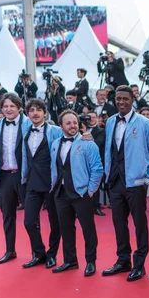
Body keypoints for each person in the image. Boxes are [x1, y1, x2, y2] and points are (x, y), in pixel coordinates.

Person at [101, 86, 149, 282]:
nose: (121, 102)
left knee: (139, 225)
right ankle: (123, 260)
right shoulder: (110, 122)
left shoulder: (144, 123)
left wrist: (148, 179)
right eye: (118, 99)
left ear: (132, 99)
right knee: (119, 223)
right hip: (115, 182)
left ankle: (139, 264)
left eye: (125, 99)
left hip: (136, 183)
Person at [50, 109, 103, 276]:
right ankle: (70, 260)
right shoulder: (55, 143)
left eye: (74, 122)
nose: (72, 126)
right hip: (61, 193)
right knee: (65, 229)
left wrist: (90, 190)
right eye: (68, 123)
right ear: (61, 126)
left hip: (81, 193)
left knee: (88, 229)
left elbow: (97, 169)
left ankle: (91, 261)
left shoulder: (88, 143)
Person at [0, 94, 32, 264]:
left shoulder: (28, 123)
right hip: (4, 176)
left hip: (24, 176)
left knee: (31, 218)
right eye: (5, 106)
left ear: (19, 107)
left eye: (12, 106)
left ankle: (37, 253)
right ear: (1, 108)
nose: (8, 109)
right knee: (7, 216)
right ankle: (10, 250)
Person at [20, 99, 63, 269]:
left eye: (38, 110)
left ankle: (52, 254)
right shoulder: (25, 131)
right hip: (31, 182)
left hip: (52, 183)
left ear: (45, 113)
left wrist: (86, 137)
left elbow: (72, 140)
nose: (35, 113)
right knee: (29, 221)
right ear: (28, 114)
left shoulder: (56, 131)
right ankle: (38, 253)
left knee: (55, 222)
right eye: (31, 110)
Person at [83, 112, 106, 217]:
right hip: (82, 162)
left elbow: (98, 143)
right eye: (89, 117)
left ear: (97, 118)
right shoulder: (81, 129)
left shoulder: (101, 131)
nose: (91, 119)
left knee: (95, 185)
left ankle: (95, 207)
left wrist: (88, 138)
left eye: (93, 117)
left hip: (95, 162)